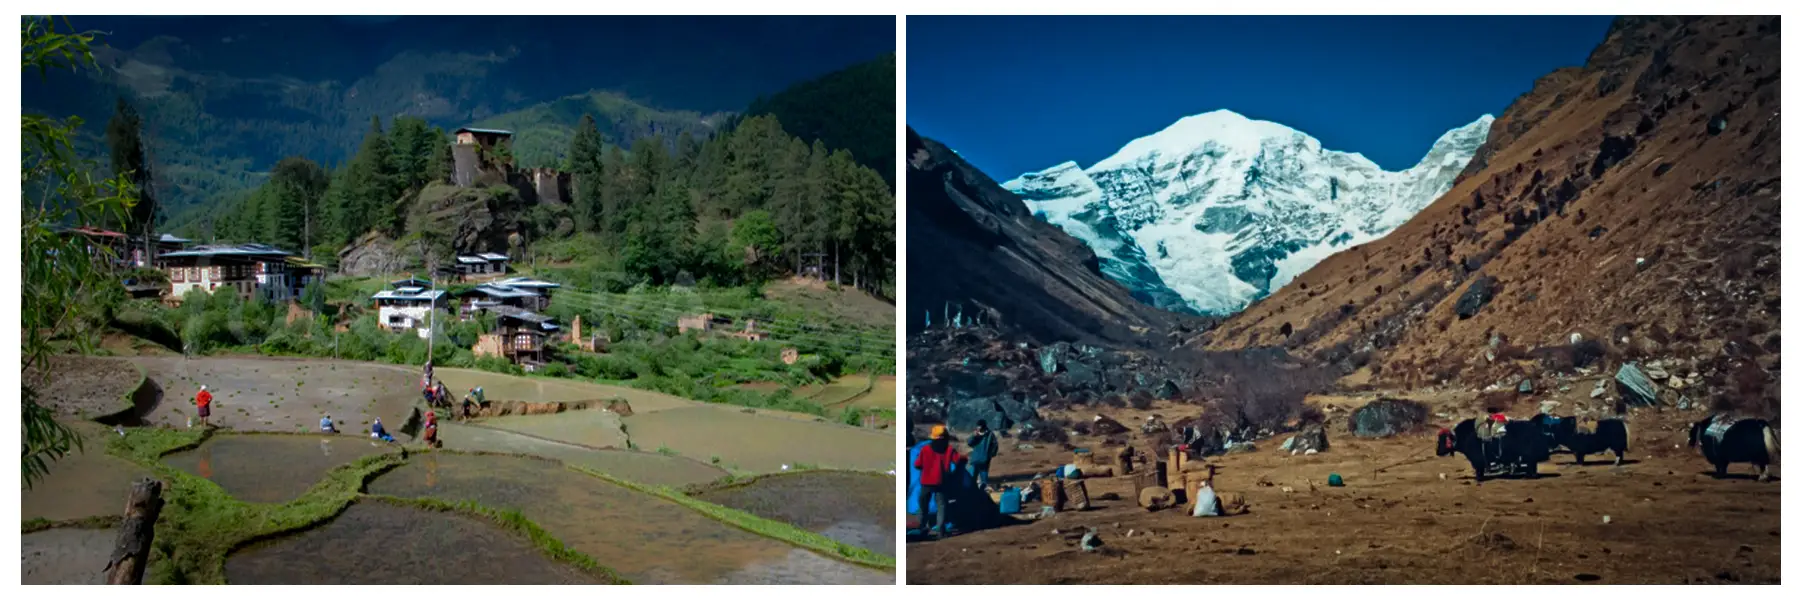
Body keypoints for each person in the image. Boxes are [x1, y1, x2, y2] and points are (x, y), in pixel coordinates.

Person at [912, 425, 963, 539]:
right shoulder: (949, 450)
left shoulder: (925, 449)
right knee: (941, 506)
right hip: (942, 482)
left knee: (923, 506)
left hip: (926, 482)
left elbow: (917, 464)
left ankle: (921, 529)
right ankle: (941, 530)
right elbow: (958, 460)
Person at [967, 420, 1000, 490]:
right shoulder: (976, 434)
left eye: (979, 426)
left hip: (984, 459)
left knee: (984, 478)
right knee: (971, 476)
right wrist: (974, 436)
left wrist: (990, 454)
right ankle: (971, 489)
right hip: (975, 458)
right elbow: (969, 443)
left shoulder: (990, 434)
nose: (978, 427)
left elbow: (995, 445)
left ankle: (983, 490)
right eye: (977, 426)